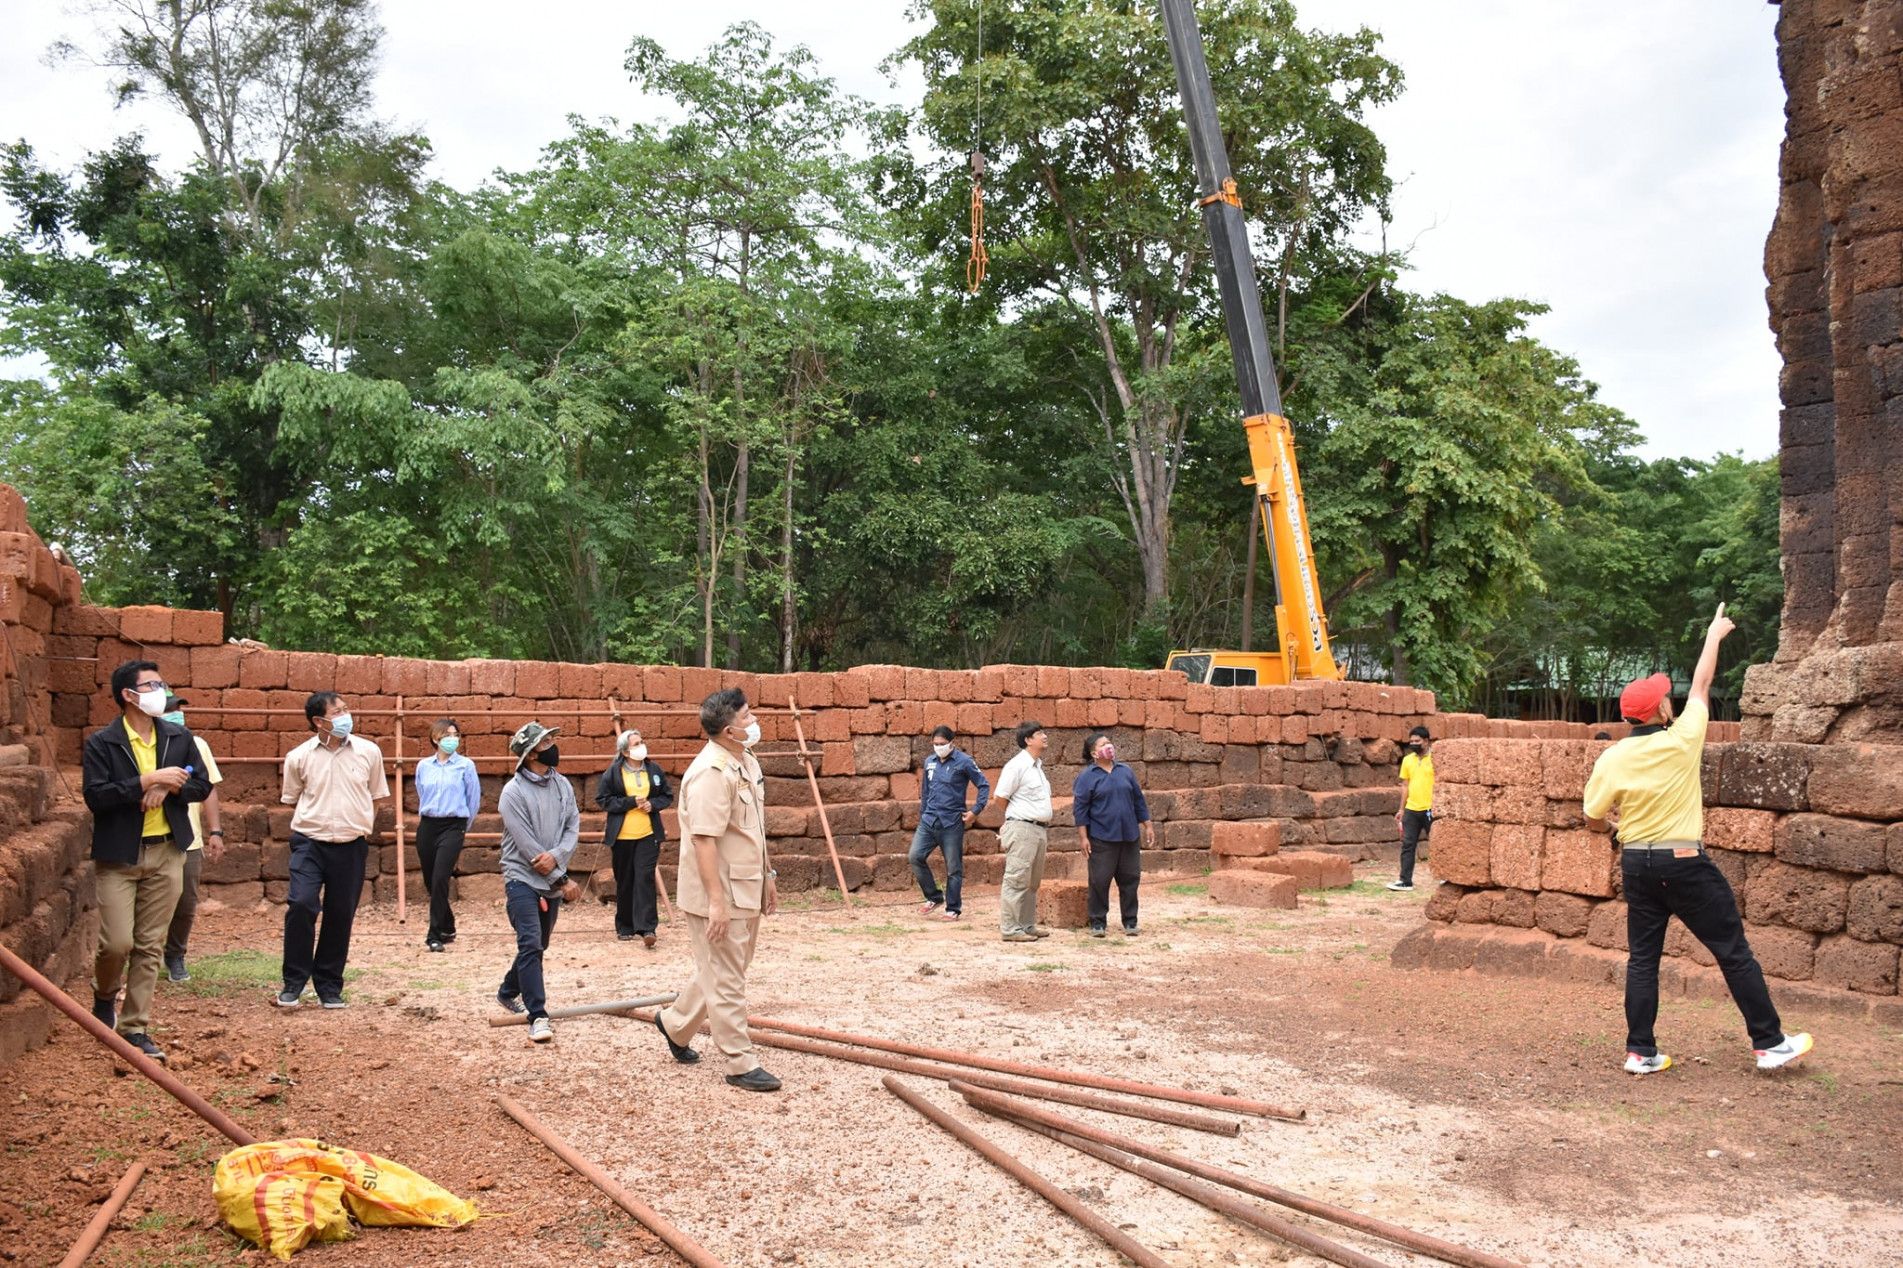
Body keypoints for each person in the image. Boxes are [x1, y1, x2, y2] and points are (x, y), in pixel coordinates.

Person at [1583, 604, 1813, 1076]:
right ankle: (1769, 1042)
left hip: (1636, 862)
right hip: (1684, 861)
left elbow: (1590, 817)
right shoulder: (1682, 737)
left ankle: (1640, 1052)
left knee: (1643, 959)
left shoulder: (1612, 758)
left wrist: (1612, 830)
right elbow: (1703, 683)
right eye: (1667, 697)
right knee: (1732, 950)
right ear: (1663, 709)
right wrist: (1713, 634)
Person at [81, 661, 213, 1063]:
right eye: (152, 684)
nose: (161, 690)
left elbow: (201, 784)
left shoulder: (178, 736)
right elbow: (97, 796)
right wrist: (146, 781)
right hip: (119, 854)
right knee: (117, 943)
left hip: (167, 850)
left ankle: (134, 1028)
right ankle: (105, 995)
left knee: (150, 945)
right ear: (128, 695)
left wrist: (170, 787)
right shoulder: (103, 742)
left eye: (162, 682)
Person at [653, 689, 782, 1091]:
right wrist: (716, 904)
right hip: (720, 891)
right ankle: (739, 1062)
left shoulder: (744, 761)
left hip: (746, 886)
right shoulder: (711, 773)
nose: (754, 720)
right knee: (727, 978)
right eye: (747, 716)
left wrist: (769, 877)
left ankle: (675, 1024)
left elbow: (751, 831)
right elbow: (704, 841)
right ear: (729, 729)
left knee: (727, 968)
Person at [276, 692, 389, 1010]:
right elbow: (293, 797)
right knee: (301, 904)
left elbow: (377, 796)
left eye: (346, 709)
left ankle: (329, 985)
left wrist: (361, 825)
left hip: (352, 846)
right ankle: (293, 982)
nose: (345, 716)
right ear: (318, 721)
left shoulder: (369, 751)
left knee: (340, 914)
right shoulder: (299, 756)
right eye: (337, 712)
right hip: (309, 842)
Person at [495, 722, 581, 1044]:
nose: (554, 744)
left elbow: (572, 826)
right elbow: (527, 845)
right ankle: (538, 1015)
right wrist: (561, 878)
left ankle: (507, 991)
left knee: (538, 944)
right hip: (521, 877)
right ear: (531, 754)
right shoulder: (512, 793)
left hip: (552, 879)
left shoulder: (563, 785)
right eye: (547, 742)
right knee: (530, 943)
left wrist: (558, 858)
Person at [159, 695, 224, 982]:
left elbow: (207, 789)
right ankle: (142, 955)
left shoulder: (197, 745)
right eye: (170, 711)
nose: (178, 715)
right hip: (149, 838)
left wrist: (216, 831)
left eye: (179, 710)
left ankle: (175, 955)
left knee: (185, 902)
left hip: (189, 840)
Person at [1072, 732, 1154, 938]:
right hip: (1102, 838)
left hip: (1129, 836)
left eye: (1109, 742)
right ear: (1094, 753)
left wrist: (1148, 825)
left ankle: (1130, 921)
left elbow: (1138, 800)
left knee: (1130, 879)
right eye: (1103, 744)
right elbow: (1080, 810)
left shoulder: (1125, 771)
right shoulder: (1086, 778)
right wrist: (1083, 837)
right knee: (1099, 881)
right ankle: (1098, 922)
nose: (1109, 746)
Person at [597, 728, 674, 946]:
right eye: (636, 744)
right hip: (622, 836)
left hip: (648, 834)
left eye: (642, 741)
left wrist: (653, 804)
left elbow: (667, 795)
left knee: (644, 879)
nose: (641, 746)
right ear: (625, 752)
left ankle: (648, 928)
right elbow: (603, 799)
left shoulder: (654, 769)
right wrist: (629, 802)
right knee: (625, 881)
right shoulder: (613, 773)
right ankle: (625, 925)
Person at [413, 718, 481, 953]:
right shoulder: (423, 766)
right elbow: (422, 793)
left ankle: (434, 934)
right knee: (430, 879)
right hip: (428, 824)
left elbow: (473, 799)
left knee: (441, 876)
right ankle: (448, 924)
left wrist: (463, 827)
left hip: (454, 825)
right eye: (447, 735)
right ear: (435, 738)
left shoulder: (465, 766)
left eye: (456, 734)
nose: (453, 739)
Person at [911, 724, 990, 921]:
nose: (938, 747)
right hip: (929, 819)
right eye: (935, 744)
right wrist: (922, 814)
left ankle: (953, 908)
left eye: (942, 744)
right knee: (915, 857)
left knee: (954, 867)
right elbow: (926, 791)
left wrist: (975, 811)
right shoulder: (929, 761)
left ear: (952, 743)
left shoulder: (964, 762)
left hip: (952, 822)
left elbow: (983, 785)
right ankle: (934, 896)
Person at [993, 719, 1054, 944]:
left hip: (1038, 829)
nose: (1045, 736)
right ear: (1028, 740)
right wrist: (1014, 817)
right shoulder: (1016, 765)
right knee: (1016, 879)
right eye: (1040, 733)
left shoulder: (1037, 767)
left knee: (1032, 881)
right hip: (1023, 827)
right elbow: (999, 797)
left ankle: (1027, 924)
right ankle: (1010, 928)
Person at [1388, 725, 1434, 892]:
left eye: (1417, 741)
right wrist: (1402, 809)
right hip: (1412, 809)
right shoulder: (1408, 760)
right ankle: (1405, 880)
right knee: (1408, 845)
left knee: (1437, 844)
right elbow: (1405, 786)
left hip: (1431, 808)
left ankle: (1444, 877)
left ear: (1426, 741)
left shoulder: (1436, 758)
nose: (1414, 743)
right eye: (1411, 741)